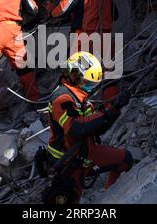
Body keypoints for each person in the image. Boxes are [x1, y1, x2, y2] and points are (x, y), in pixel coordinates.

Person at [43, 51, 132, 204]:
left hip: (87, 153)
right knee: (70, 200)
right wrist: (105, 114)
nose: (90, 88)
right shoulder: (62, 99)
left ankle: (108, 200)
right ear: (73, 75)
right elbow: (76, 129)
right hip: (68, 163)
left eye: (93, 85)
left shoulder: (81, 98)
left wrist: (114, 110)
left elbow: (96, 128)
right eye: (88, 83)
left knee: (125, 160)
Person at [43, 0, 119, 107]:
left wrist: (51, 10)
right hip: (105, 36)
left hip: (84, 36)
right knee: (109, 73)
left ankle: (72, 107)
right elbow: (115, 14)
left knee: (75, 73)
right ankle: (111, 107)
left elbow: (62, 9)